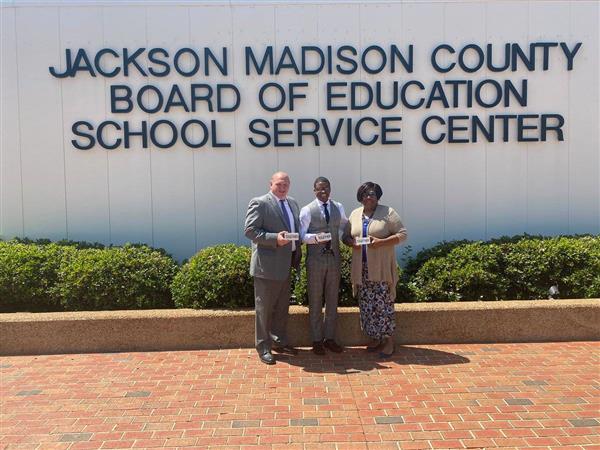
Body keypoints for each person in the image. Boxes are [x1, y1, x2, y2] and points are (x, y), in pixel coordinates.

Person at [342, 182, 407, 358]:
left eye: (372, 194)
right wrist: (351, 243)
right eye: (364, 194)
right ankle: (376, 339)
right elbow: (345, 236)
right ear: (360, 197)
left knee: (383, 305)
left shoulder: (388, 212)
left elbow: (402, 234)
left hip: (381, 268)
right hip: (361, 268)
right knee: (367, 306)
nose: (368, 197)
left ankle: (389, 342)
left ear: (378, 196)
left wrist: (381, 242)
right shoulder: (355, 214)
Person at [244, 171, 302, 365]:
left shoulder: (293, 203)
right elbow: (250, 231)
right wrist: (274, 238)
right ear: (270, 184)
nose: (283, 187)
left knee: (282, 308)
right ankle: (263, 347)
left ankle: (278, 341)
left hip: (287, 265)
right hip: (267, 267)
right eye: (279, 184)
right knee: (264, 310)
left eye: (286, 183)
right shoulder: (260, 203)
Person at [299, 177, 348, 355]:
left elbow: (345, 226)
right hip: (315, 261)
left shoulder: (338, 207)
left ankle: (330, 338)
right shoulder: (307, 210)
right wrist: (315, 238)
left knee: (333, 300)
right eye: (320, 189)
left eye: (326, 188)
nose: (323, 191)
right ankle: (317, 340)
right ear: (314, 190)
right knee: (315, 300)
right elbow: (301, 235)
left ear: (330, 189)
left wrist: (353, 238)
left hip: (334, 259)